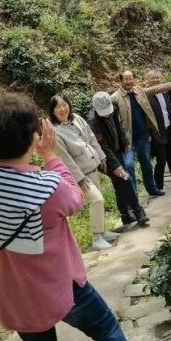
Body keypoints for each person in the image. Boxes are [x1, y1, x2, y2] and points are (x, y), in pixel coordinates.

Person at [0, 93, 139, 341]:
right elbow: (75, 200)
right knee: (106, 330)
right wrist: (50, 156)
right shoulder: (47, 187)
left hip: (12, 289)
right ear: (35, 135)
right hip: (58, 285)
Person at [49, 94, 120, 251]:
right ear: (53, 111)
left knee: (99, 200)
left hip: (92, 166)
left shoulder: (77, 119)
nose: (63, 109)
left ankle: (102, 232)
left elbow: (92, 138)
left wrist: (101, 157)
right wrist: (80, 179)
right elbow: (65, 159)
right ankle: (96, 238)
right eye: (58, 107)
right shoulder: (56, 132)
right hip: (80, 175)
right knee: (96, 200)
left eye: (65, 105)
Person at [110, 71, 171, 198]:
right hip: (128, 141)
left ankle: (152, 189)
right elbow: (102, 105)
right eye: (126, 79)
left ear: (134, 79)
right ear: (121, 81)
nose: (129, 81)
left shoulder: (139, 92)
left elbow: (156, 89)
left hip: (143, 136)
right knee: (129, 166)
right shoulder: (115, 98)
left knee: (147, 164)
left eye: (131, 79)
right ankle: (133, 197)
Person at [89, 92, 149, 227]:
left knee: (119, 183)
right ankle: (138, 210)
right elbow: (102, 146)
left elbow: (119, 126)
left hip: (118, 150)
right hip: (105, 158)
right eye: (104, 113)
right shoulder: (93, 122)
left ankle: (125, 214)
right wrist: (116, 165)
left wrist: (124, 142)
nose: (108, 115)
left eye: (109, 112)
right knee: (125, 179)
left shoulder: (114, 107)